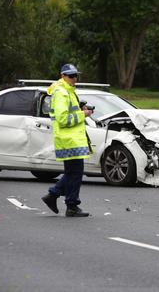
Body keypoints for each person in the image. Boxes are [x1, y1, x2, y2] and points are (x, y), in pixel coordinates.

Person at [41, 64, 93, 217]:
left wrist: (80, 108)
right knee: (75, 173)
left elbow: (69, 112)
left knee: (73, 173)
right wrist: (84, 114)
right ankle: (70, 204)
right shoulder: (61, 93)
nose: (74, 79)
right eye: (71, 76)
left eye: (76, 75)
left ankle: (55, 196)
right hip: (68, 139)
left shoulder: (68, 91)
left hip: (72, 139)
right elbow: (63, 119)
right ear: (63, 76)